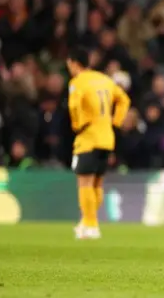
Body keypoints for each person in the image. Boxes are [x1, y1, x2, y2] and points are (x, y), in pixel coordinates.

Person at [67, 48, 131, 239]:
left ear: (73, 63)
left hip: (88, 138)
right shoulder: (105, 80)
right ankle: (86, 222)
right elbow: (124, 100)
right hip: (106, 138)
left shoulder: (77, 82)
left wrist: (78, 124)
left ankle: (91, 225)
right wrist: (116, 122)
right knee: (97, 183)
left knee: (84, 183)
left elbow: (74, 105)